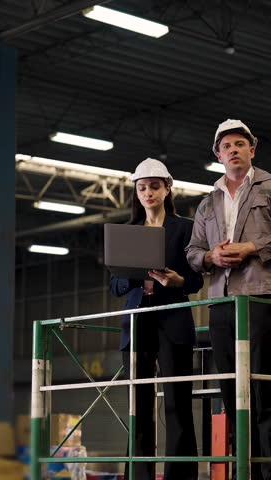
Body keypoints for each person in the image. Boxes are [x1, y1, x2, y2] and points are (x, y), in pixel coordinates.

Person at [186, 119, 271, 480]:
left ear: (252, 150)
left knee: (264, 385)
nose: (234, 150)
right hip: (221, 303)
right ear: (218, 155)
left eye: (241, 144)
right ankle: (244, 470)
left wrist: (252, 247)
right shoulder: (208, 202)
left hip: (261, 296)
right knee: (230, 388)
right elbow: (193, 250)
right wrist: (211, 258)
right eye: (227, 146)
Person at [109, 158, 202, 480]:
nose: (147, 192)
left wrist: (177, 281)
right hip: (137, 323)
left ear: (167, 189)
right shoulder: (128, 233)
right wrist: (134, 276)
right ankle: (139, 475)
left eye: (154, 187)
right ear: (137, 192)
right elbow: (115, 286)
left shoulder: (186, 228)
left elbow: (197, 280)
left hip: (173, 319)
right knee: (139, 405)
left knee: (178, 403)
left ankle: (182, 476)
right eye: (142, 188)